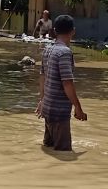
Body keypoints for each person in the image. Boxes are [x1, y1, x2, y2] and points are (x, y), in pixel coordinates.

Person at [36, 14, 87, 151]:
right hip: (59, 112)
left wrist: (42, 100)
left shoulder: (47, 49)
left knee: (49, 147)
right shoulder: (64, 52)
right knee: (63, 152)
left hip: (47, 108)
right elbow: (67, 84)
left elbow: (42, 76)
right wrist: (78, 107)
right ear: (73, 31)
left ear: (54, 30)